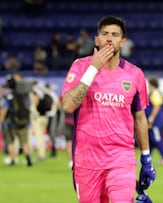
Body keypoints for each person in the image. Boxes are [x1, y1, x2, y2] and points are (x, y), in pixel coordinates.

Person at [61, 16, 156, 202]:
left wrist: (146, 157)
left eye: (115, 34)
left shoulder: (135, 74)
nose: (109, 39)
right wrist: (93, 69)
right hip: (86, 160)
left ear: (123, 41)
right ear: (97, 40)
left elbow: (140, 119)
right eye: (104, 34)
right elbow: (68, 105)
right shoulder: (80, 67)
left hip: (121, 158)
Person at [0, 73, 32, 166]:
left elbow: (5, 109)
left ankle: (13, 159)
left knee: (10, 142)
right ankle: (28, 159)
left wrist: (1, 120)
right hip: (24, 122)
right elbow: (28, 106)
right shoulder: (23, 94)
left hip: (11, 123)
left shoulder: (8, 97)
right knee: (24, 142)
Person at [145, 76, 163, 165]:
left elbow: (157, 106)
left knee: (157, 139)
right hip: (152, 122)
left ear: (151, 84)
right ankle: (147, 158)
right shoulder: (152, 93)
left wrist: (151, 118)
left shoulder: (155, 93)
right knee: (150, 140)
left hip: (155, 122)